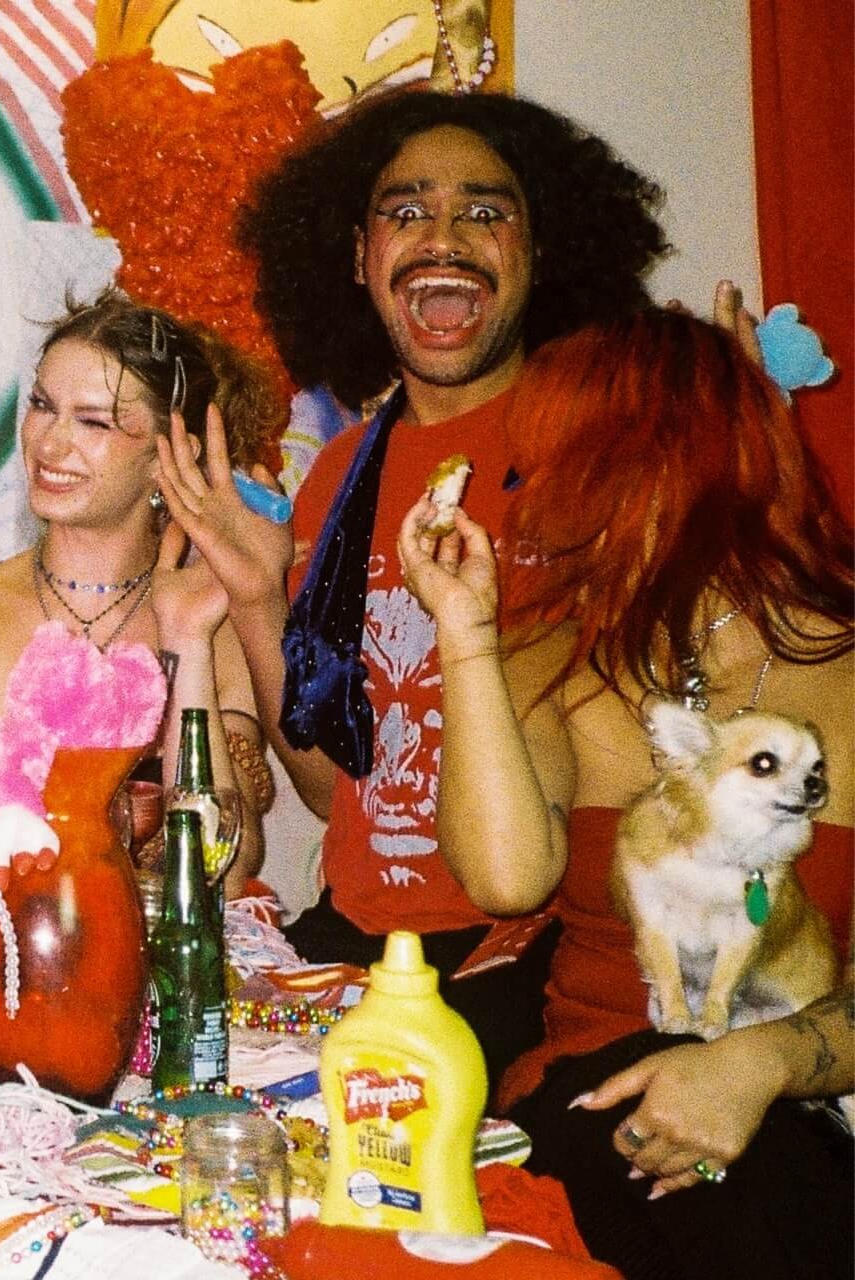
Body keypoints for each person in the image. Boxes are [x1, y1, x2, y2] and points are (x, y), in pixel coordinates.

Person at [164, 89, 676, 1088]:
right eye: (406, 211)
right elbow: (335, 785)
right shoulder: (340, 472)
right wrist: (261, 595)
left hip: (531, 968)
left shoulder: (606, 449)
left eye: (484, 210)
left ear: (538, 248)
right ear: (357, 255)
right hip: (357, 947)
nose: (443, 237)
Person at [399, 308, 852, 1279]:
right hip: (598, 1090)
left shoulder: (847, 670)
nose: (533, 502)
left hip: (806, 1094)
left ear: (661, 461)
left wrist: (756, 1065)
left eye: (554, 465)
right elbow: (505, 878)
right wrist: (465, 635)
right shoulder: (551, 656)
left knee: (772, 1190)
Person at [0, 293, 278, 892]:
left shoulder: (209, 622)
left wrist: (187, 641)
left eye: (94, 421)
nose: (48, 445)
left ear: (169, 457)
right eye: (43, 406)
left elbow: (222, 873)